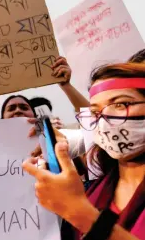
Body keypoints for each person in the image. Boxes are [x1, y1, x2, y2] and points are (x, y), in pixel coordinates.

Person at [23, 62, 145, 239]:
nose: (104, 120)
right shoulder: (100, 186)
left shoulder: (82, 201)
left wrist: (79, 211)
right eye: (95, 113)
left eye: (121, 104)